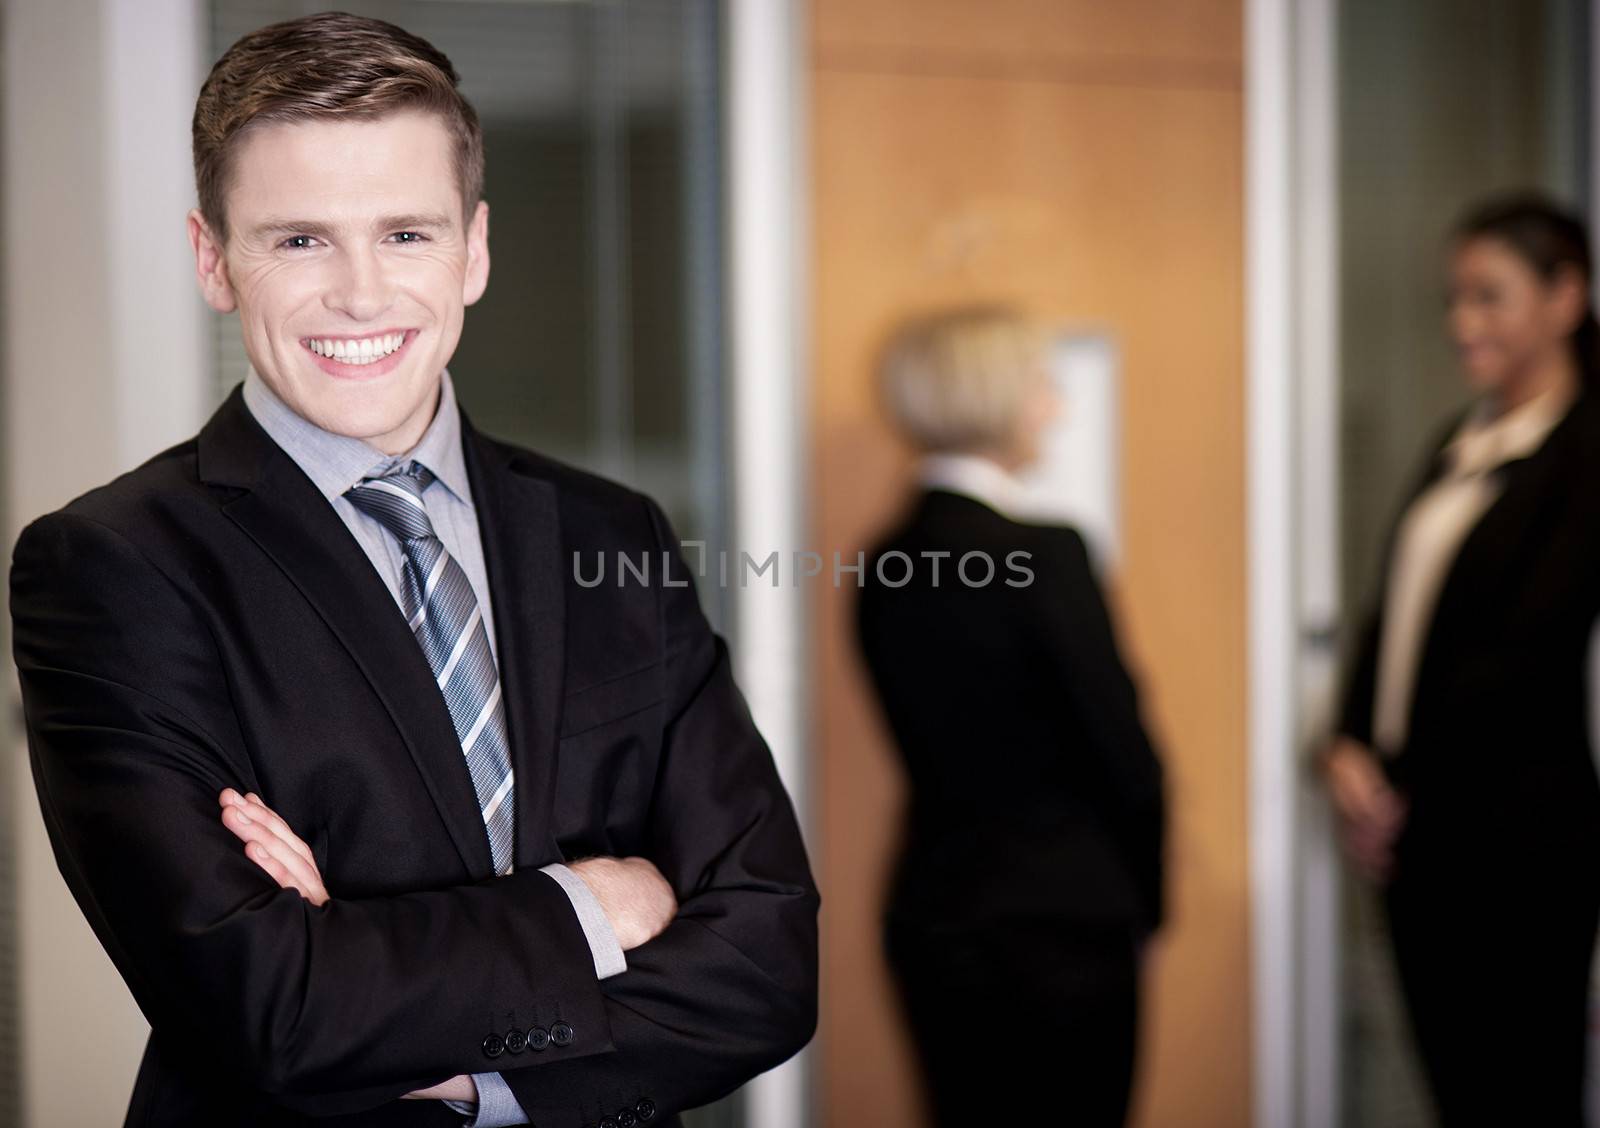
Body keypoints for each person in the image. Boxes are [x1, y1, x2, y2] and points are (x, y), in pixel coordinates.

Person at [8, 13, 817, 1127]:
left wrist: (434, 1037)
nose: (360, 295)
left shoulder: (611, 534)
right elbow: (269, 1007)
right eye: (298, 239)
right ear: (212, 259)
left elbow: (769, 959)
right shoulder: (114, 568)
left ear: (473, 250)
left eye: (406, 235)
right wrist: (594, 901)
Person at [1322, 192, 1600, 1125]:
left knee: (1520, 1090)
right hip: (1424, 834)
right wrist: (1348, 745)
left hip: (1518, 836)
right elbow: (1393, 614)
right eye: (1454, 298)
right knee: (1456, 1086)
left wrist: (1404, 787)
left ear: (1566, 299)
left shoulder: (1586, 451)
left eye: (1489, 296)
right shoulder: (1462, 439)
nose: (1460, 322)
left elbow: (1526, 649)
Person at [853, 305, 1166, 1126]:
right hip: (1063, 918)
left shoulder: (881, 565)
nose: (1056, 406)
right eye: (1041, 384)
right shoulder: (1047, 551)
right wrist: (1147, 896)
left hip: (937, 911)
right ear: (995, 396)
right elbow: (1123, 749)